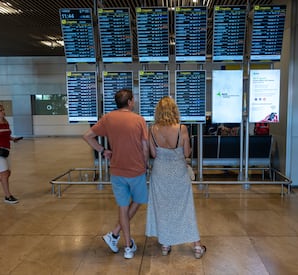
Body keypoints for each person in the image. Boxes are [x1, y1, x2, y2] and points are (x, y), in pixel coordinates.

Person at [82, 89, 149, 259]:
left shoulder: (108, 118)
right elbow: (145, 146)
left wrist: (102, 150)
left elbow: (87, 136)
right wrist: (146, 164)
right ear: (129, 102)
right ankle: (116, 235)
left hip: (117, 170)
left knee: (123, 207)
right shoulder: (139, 119)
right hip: (136, 169)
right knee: (139, 200)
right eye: (133, 100)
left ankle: (124, 244)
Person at [146, 96, 206, 259]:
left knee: (164, 208)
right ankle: (197, 245)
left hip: (160, 172)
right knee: (186, 207)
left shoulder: (152, 129)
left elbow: (153, 153)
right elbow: (186, 153)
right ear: (174, 110)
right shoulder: (182, 129)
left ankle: (166, 244)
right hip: (178, 172)